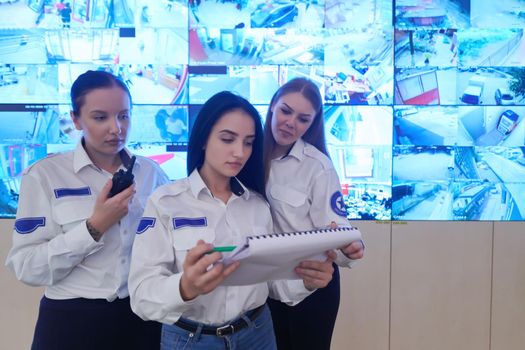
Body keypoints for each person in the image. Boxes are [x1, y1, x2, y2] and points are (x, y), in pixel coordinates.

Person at [128, 91, 336, 350]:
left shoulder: (257, 205)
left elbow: (274, 285)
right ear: (203, 139)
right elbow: (141, 296)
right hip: (191, 340)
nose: (239, 152)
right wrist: (185, 286)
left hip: (257, 334)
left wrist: (307, 280)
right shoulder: (165, 202)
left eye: (248, 142)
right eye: (227, 139)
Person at [5, 70, 169, 350]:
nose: (116, 128)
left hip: (140, 320)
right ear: (76, 119)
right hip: (70, 322)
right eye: (100, 117)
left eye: (124, 116)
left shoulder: (151, 174)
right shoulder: (45, 175)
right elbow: (27, 267)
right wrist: (94, 227)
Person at [262, 77, 365, 350]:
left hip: (310, 289)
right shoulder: (247, 157)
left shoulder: (317, 166)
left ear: (312, 123)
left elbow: (338, 228)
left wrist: (350, 247)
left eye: (302, 118)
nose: (290, 123)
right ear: (272, 106)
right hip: (263, 294)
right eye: (285, 111)